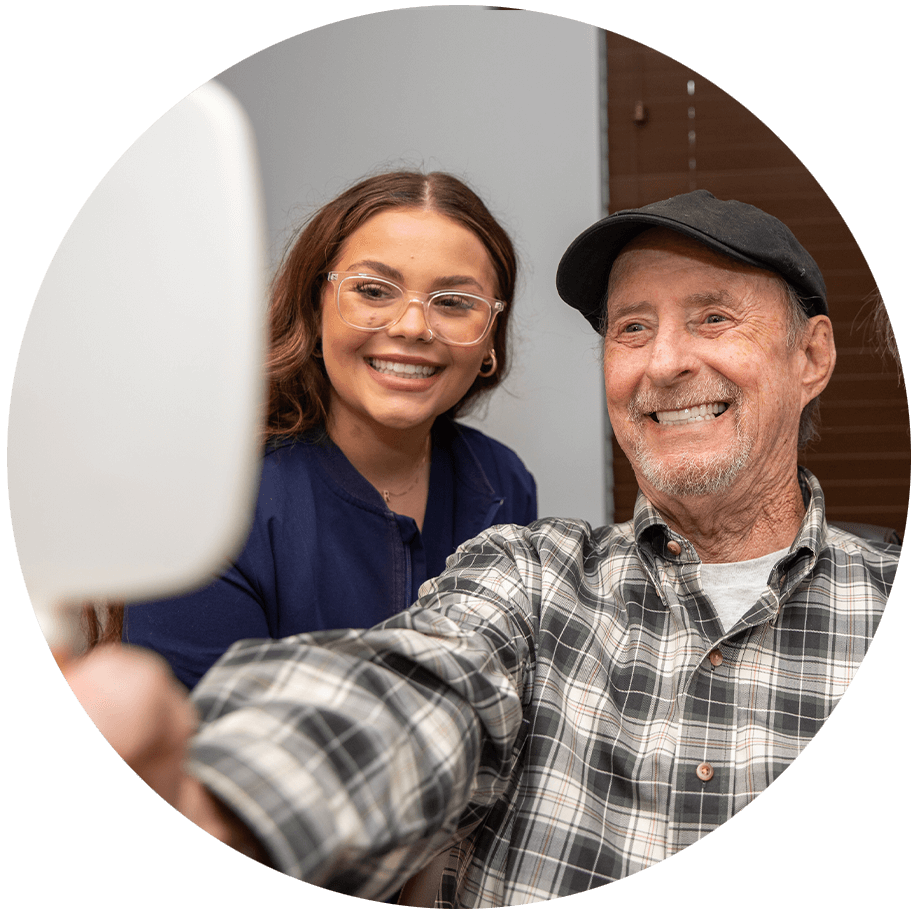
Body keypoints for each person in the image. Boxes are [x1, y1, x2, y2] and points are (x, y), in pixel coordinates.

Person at [67, 190, 898, 905]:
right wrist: (230, 795)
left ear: (812, 356)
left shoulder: (495, 477)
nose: (665, 362)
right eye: (630, 328)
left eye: (712, 317)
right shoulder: (528, 571)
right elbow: (421, 681)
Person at [117, 170, 537, 690]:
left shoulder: (502, 483)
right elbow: (198, 748)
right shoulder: (207, 501)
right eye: (373, 290)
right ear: (316, 310)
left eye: (453, 302)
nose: (411, 326)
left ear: (490, 338)